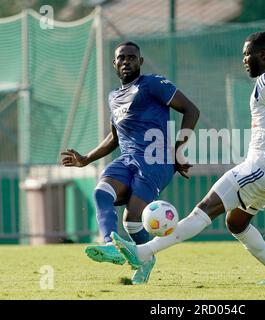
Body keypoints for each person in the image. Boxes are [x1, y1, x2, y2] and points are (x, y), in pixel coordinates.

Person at [111, 31, 265, 285]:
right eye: (243, 55)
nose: (244, 59)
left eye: (248, 54)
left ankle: (142, 252)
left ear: (264, 55)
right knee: (236, 223)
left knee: (202, 211)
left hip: (261, 167)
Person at [60, 41, 200, 284]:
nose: (127, 61)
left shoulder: (153, 84)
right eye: (121, 58)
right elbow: (114, 137)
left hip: (155, 161)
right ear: (114, 63)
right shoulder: (113, 97)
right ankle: (110, 246)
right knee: (101, 192)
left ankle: (145, 258)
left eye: (132, 57)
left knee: (133, 218)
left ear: (140, 61)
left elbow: (191, 110)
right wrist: (86, 159)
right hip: (126, 159)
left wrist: (178, 150)